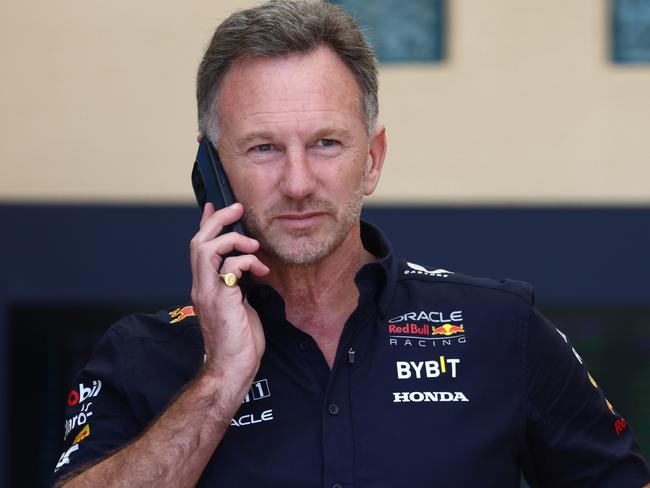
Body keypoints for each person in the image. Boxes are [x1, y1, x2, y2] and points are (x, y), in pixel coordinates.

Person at [52, 1, 650, 487]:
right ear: (212, 167)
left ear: (373, 159)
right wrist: (219, 381)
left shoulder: (503, 330)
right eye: (263, 147)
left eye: (326, 144)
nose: (297, 182)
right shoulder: (139, 355)